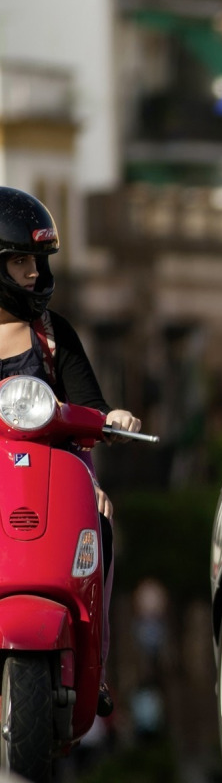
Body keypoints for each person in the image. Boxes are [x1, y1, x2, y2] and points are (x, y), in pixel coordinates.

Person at [0, 186, 142, 717]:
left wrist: (111, 421)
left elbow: (89, 409)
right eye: (19, 262)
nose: (34, 273)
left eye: (36, 261)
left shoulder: (54, 334)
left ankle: (94, 663)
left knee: (100, 528)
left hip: (52, 479)